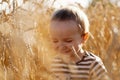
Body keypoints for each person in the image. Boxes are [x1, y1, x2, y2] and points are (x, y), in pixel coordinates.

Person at [49, 6, 108, 80]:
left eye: (68, 41)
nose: (61, 46)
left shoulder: (92, 64)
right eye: (55, 41)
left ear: (84, 37)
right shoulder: (54, 64)